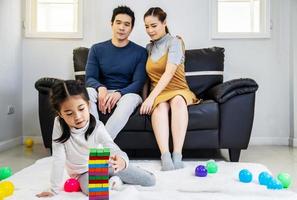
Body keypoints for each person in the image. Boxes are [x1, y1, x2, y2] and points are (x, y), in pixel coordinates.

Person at [36, 80, 155, 197]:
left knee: (149, 181)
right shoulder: (58, 124)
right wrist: (54, 189)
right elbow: (59, 157)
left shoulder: (98, 126)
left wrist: (122, 161)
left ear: (88, 105)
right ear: (60, 114)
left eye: (81, 109)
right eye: (69, 113)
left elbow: (112, 147)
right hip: (82, 172)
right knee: (96, 192)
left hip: (103, 163)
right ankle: (114, 179)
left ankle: (116, 176)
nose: (77, 117)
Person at [140, 7, 200, 171]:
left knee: (178, 102)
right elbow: (146, 78)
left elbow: (169, 72)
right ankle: (165, 156)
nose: (150, 30)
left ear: (164, 23)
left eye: (154, 25)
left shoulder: (175, 41)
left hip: (178, 88)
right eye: (146, 26)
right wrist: (146, 98)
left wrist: (152, 97)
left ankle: (177, 155)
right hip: (159, 93)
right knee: (159, 109)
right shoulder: (148, 48)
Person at [86, 6, 147, 140]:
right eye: (118, 22)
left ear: (131, 28)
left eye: (126, 24)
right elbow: (90, 77)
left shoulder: (140, 52)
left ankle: (98, 143)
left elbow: (138, 83)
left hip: (127, 94)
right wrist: (101, 88)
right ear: (111, 24)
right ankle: (95, 136)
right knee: (88, 92)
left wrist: (119, 93)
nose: (122, 27)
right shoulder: (97, 49)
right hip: (103, 91)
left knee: (131, 99)